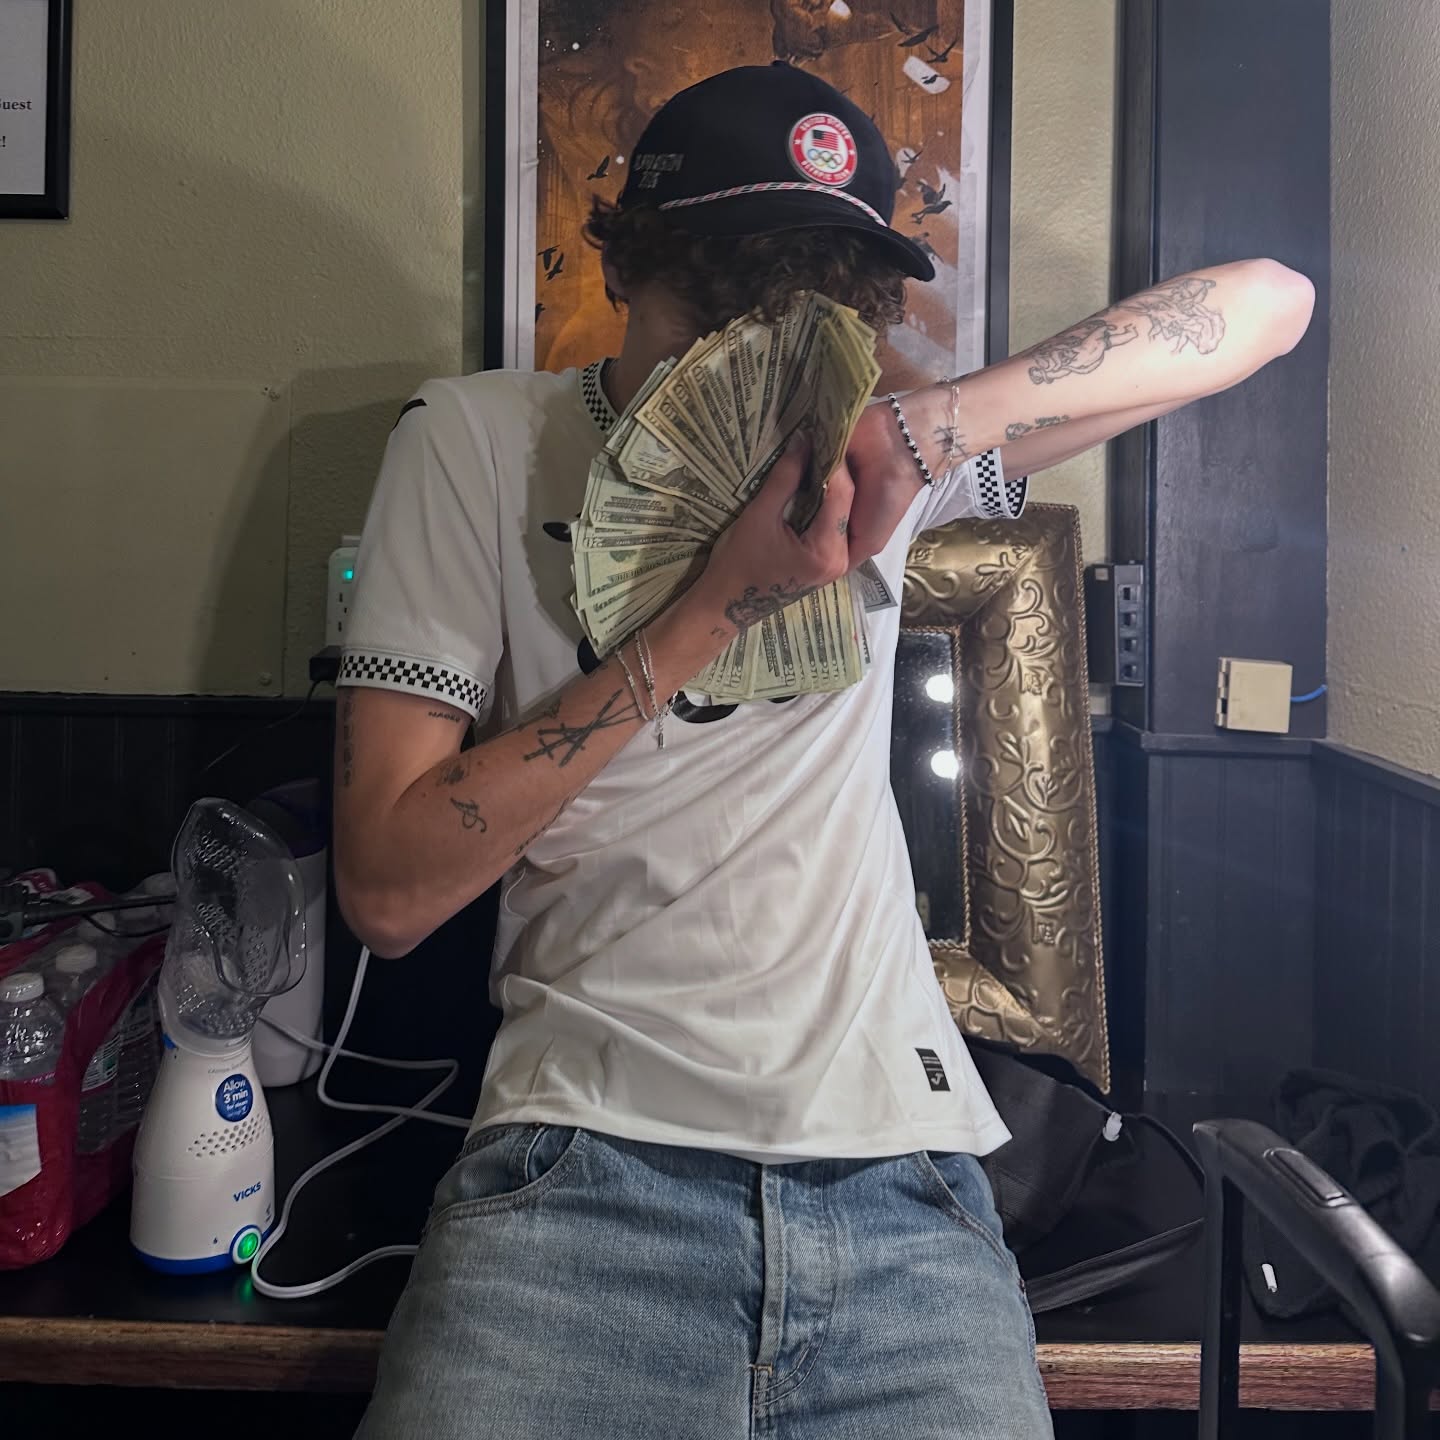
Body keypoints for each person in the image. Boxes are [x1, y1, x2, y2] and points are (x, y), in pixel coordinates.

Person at [337, 62, 1314, 1440]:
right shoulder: (482, 442)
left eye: (812, 315)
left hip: (903, 1188)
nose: (753, 364)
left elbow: (1272, 304)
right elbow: (387, 890)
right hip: (579, 1176)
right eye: (719, 306)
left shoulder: (866, 467)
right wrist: (712, 609)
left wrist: (921, 426)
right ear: (621, 271)